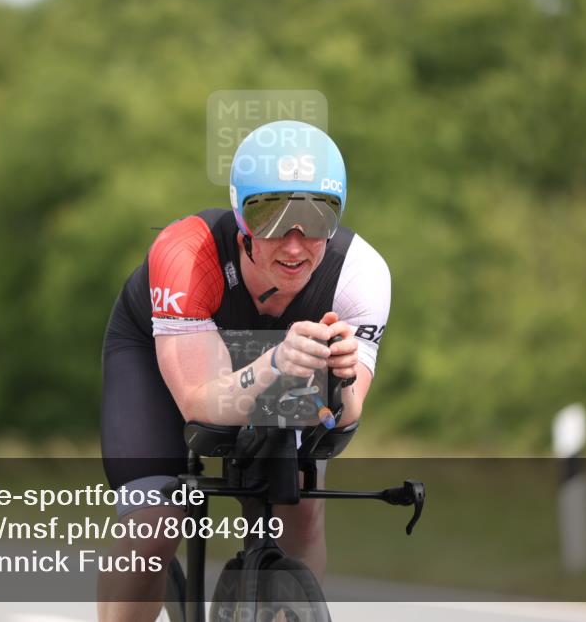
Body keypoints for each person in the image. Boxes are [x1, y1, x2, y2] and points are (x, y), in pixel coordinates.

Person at [98, 120, 391, 621]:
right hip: (165, 355)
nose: (295, 246)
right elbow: (199, 401)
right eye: (272, 218)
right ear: (240, 215)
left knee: (300, 506)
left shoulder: (361, 275)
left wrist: (341, 381)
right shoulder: (184, 255)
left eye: (317, 220)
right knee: (155, 525)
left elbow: (343, 421)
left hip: (278, 359)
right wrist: (276, 360)